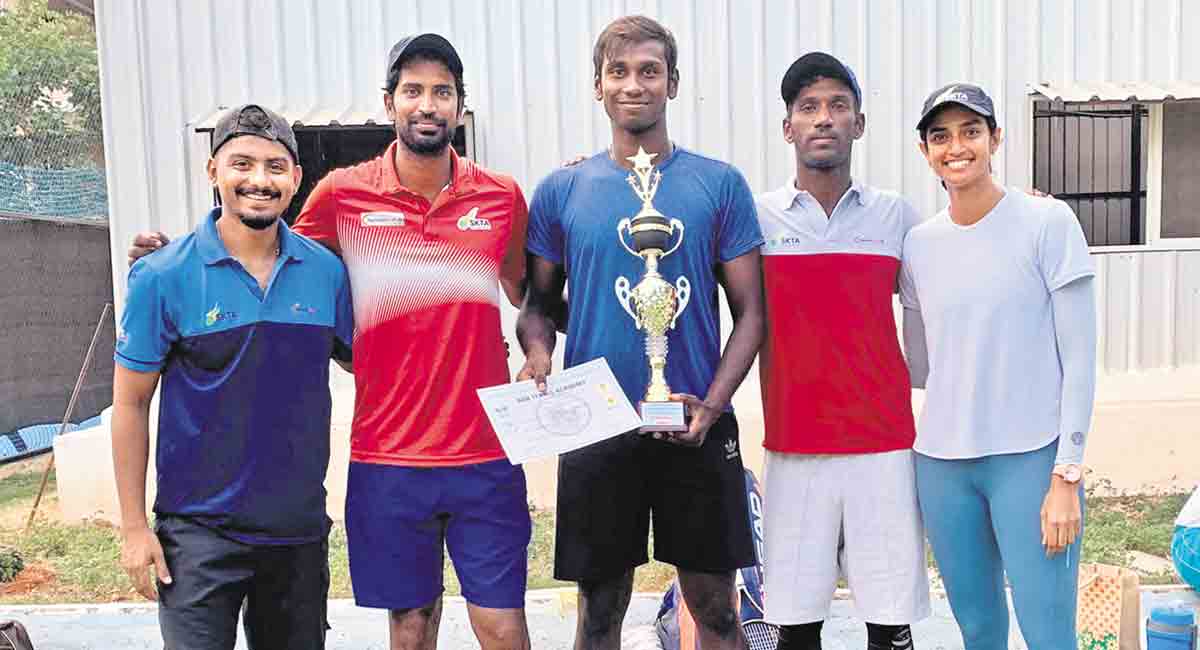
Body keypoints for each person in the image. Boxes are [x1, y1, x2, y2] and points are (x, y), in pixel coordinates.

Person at [128, 34, 532, 650]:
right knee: (411, 628)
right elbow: (263, 244)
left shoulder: (501, 196)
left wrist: (539, 347)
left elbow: (528, 292)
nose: (428, 104)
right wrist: (171, 261)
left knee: (503, 631)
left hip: (485, 453)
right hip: (388, 457)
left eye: (442, 92)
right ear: (390, 102)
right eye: (413, 90)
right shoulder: (343, 193)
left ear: (459, 104)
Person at [516, 15, 765, 650]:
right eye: (618, 72)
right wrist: (539, 352)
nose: (634, 85)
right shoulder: (562, 190)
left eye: (649, 71)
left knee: (716, 610)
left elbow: (752, 314)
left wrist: (712, 406)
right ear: (596, 86)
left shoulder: (719, 184)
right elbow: (538, 306)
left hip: (694, 423)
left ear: (673, 83)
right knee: (599, 613)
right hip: (597, 427)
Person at [112, 104, 354, 650]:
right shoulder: (161, 276)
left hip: (296, 532)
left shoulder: (325, 272)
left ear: (296, 179)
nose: (258, 180)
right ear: (213, 171)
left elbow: (364, 359)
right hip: (197, 537)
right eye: (241, 163)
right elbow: (129, 405)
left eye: (274, 166)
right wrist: (133, 528)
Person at [899, 83, 1097, 650]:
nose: (956, 147)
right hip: (942, 466)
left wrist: (1067, 474)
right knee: (979, 629)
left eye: (971, 131)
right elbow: (922, 363)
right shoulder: (918, 245)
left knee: (1048, 631)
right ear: (925, 150)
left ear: (996, 139)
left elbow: (1080, 359)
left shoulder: (1047, 223)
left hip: (1031, 463)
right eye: (941, 136)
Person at [755, 53, 929, 650]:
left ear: (859, 123)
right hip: (794, 447)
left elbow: (937, 301)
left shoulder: (897, 217)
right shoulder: (757, 218)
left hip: (881, 445)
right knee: (796, 628)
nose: (823, 118)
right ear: (788, 128)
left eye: (837, 106)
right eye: (808, 107)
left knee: (890, 623)